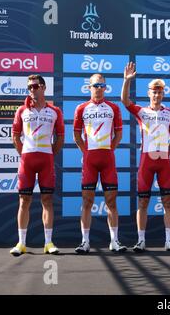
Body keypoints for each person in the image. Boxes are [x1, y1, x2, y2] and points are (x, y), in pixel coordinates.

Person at [121, 62, 170, 252]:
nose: (157, 95)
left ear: (163, 94)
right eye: (154, 92)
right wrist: (126, 81)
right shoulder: (142, 112)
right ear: (149, 93)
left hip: (163, 161)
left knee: (168, 202)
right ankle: (141, 240)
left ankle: (169, 241)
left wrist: (167, 157)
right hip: (146, 160)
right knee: (143, 202)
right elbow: (124, 101)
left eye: (160, 92)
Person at [10, 74, 64, 256]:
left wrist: (50, 154)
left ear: (43, 87)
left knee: (47, 200)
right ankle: (21, 243)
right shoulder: (21, 111)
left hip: (46, 160)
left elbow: (61, 136)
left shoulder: (55, 111)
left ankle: (48, 243)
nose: (31, 90)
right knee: (24, 201)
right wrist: (24, 153)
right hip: (27, 160)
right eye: (29, 87)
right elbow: (15, 136)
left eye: (35, 86)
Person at [73, 73, 127, 254]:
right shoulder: (81, 108)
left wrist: (109, 149)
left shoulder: (113, 108)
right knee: (87, 201)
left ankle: (114, 241)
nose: (99, 88)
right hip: (90, 160)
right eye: (95, 85)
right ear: (89, 87)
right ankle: (85, 242)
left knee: (111, 202)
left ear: (105, 87)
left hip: (107, 160)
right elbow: (76, 135)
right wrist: (86, 152)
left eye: (102, 85)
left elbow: (118, 134)